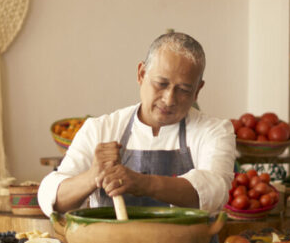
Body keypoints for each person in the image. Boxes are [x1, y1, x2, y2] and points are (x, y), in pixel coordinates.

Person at [38, 32, 235, 216]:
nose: (169, 99)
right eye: (161, 84)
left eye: (183, 89)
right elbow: (51, 197)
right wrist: (92, 177)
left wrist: (144, 184)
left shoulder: (215, 131)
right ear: (141, 74)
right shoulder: (100, 129)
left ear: (198, 90)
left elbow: (216, 192)